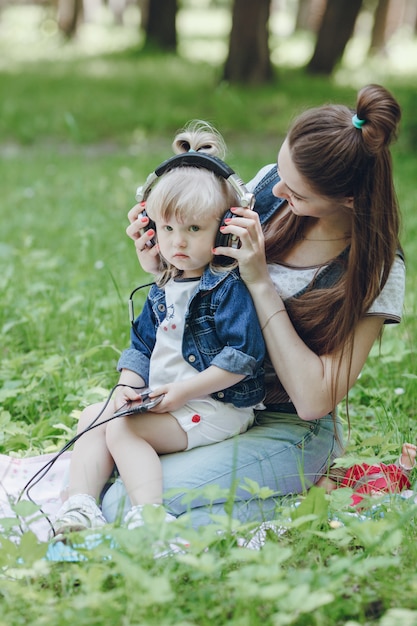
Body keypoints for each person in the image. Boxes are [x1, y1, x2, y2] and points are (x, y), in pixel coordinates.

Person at [100, 85, 406, 529]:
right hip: (206, 397)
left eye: (297, 193)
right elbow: (203, 289)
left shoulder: (375, 267)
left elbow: (314, 399)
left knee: (127, 503)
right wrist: (162, 265)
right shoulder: (266, 189)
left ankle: (312, 493)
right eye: (280, 171)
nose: (277, 190)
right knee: (116, 468)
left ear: (350, 199)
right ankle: (299, 494)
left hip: (288, 425)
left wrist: (261, 282)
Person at [51, 124, 266, 536]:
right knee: (95, 415)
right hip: (172, 401)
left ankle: (148, 516)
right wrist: (125, 389)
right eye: (167, 229)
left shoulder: (226, 288)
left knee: (124, 427)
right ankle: (79, 505)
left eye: (193, 230)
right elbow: (141, 347)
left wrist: (183, 391)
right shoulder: (164, 288)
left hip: (217, 405)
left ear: (223, 228)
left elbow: (242, 358)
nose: (177, 243)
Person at [321, 443, 416, 507]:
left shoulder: (362, 487)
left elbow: (398, 476)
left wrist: (407, 458)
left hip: (385, 492)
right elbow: (399, 476)